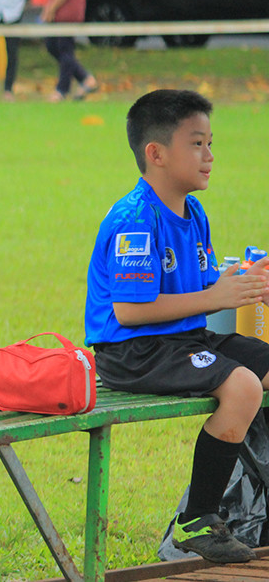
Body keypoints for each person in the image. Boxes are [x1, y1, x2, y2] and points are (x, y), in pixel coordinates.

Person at [84, 89, 269, 564]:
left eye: (210, 143)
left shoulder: (193, 211)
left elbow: (200, 280)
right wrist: (214, 298)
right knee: (244, 387)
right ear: (157, 154)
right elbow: (129, 312)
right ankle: (199, 518)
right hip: (133, 352)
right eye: (197, 143)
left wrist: (242, 282)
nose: (209, 156)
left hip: (181, 338)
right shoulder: (136, 219)